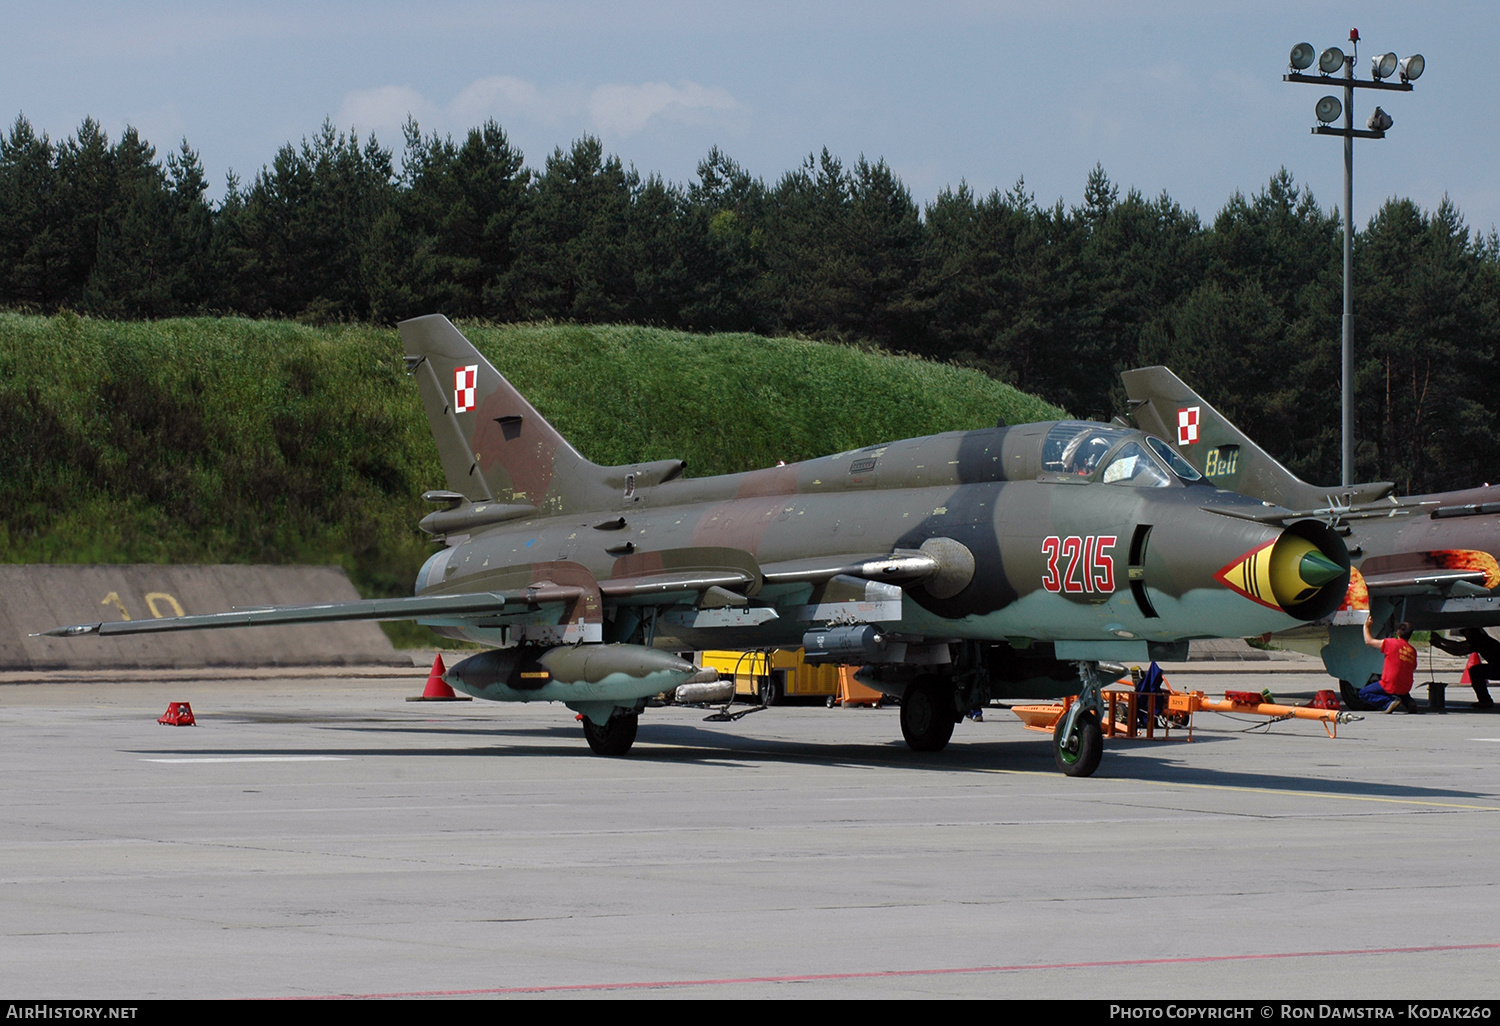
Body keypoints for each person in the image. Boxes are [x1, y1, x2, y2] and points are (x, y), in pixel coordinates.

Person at [1428, 628, 1499, 709]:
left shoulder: (1479, 640)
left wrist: (1440, 641)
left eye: (1465, 634)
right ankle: (1485, 700)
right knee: (1477, 670)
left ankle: (1485, 700)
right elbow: (1457, 649)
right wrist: (1440, 644)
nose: (1465, 636)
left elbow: (1457, 647)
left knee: (1476, 671)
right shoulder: (1482, 640)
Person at [1361, 618, 1420, 713]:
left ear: (1398, 632)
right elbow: (1413, 667)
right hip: (1406, 686)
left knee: (1363, 693)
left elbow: (1369, 641)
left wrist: (1366, 626)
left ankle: (1388, 702)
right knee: (1400, 691)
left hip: (1390, 683)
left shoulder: (1391, 643)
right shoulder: (1412, 651)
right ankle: (1408, 701)